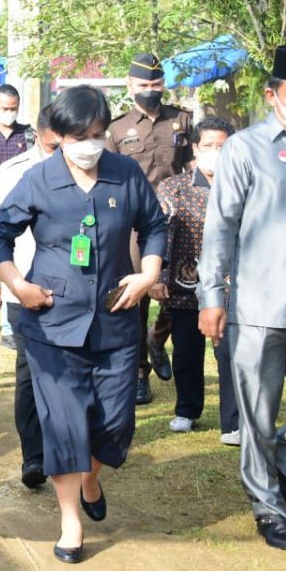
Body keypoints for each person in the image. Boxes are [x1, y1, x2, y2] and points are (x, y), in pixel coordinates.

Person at [0, 85, 166, 564]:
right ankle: (70, 521)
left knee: (116, 422)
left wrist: (148, 272)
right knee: (63, 425)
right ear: (57, 136)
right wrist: (16, 285)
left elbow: (154, 226)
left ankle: (91, 478)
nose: (90, 144)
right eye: (79, 136)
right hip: (49, 322)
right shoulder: (38, 180)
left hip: (117, 318)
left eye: (98, 134)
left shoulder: (125, 173)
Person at [198, 44, 286, 553]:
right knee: (258, 414)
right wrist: (212, 295)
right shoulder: (246, 149)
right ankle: (268, 508)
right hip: (259, 306)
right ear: (273, 96)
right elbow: (220, 226)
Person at [0, 103, 61, 489]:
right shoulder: (16, 172)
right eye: (51, 145)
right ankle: (34, 455)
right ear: (39, 137)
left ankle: (71, 448)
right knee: (30, 373)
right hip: (24, 284)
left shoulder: (101, 168)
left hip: (79, 288)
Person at [106, 53, 192, 404]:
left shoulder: (182, 120)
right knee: (137, 294)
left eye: (155, 85)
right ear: (130, 86)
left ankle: (158, 339)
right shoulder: (117, 129)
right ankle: (140, 372)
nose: (150, 91)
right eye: (143, 85)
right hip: (136, 224)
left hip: (182, 219)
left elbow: (193, 167)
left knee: (183, 288)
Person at [151, 116, 238, 441]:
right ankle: (187, 410)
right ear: (196, 148)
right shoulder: (175, 187)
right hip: (187, 285)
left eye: (223, 146)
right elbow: (162, 233)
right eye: (209, 146)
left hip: (232, 287)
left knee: (228, 353)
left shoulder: (245, 184)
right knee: (187, 353)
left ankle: (233, 421)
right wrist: (159, 275)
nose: (216, 152)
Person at [0, 84, 31, 349]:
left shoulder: (27, 134)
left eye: (14, 109)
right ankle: (3, 322)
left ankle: (10, 325)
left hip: (21, 207)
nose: (9, 113)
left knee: (17, 262)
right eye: (5, 109)